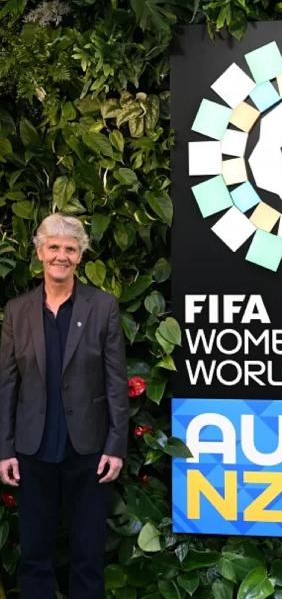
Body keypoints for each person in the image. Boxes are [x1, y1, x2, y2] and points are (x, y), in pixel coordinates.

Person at [0, 213, 129, 599]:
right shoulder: (18, 310)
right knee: (35, 555)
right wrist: (5, 449)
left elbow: (116, 381)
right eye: (53, 247)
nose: (61, 255)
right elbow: (7, 384)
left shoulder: (103, 307)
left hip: (88, 451)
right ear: (39, 253)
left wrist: (116, 446)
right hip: (32, 450)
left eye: (70, 248)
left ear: (80, 256)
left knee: (88, 555)